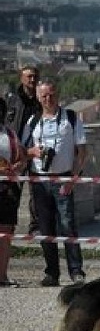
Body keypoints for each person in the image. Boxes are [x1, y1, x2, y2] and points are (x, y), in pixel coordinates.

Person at [21, 80, 87, 286]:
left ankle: (76, 272)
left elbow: (82, 152)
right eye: (43, 96)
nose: (48, 99)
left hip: (63, 178)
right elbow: (22, 151)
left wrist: (72, 179)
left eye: (51, 95)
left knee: (68, 227)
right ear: (38, 98)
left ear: (57, 94)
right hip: (39, 181)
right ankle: (51, 273)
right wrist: (33, 152)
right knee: (46, 228)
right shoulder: (33, 121)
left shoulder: (71, 118)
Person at [5, 64, 41, 234]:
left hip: (35, 152)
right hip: (14, 153)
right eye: (28, 76)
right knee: (11, 191)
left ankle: (35, 228)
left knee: (37, 191)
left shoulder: (42, 100)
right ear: (21, 78)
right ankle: (9, 224)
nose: (32, 79)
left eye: (34, 76)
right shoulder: (11, 101)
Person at [0, 98, 26, 287]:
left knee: (5, 233)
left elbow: (21, 157)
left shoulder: (9, 134)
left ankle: (2, 275)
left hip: (7, 189)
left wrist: (18, 165)